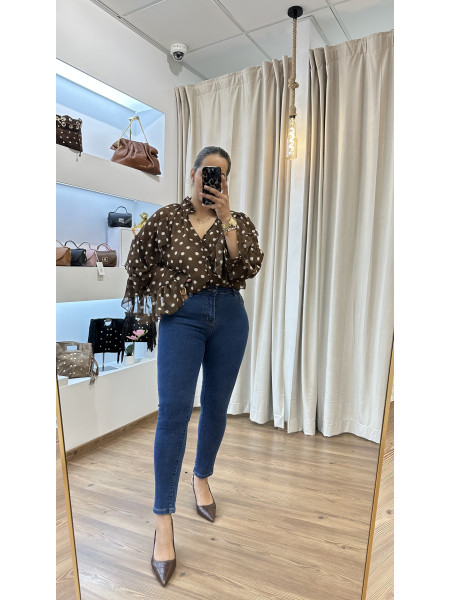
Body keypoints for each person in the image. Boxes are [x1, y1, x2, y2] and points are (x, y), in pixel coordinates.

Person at [122, 146, 264, 586]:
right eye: (207, 172)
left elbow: (248, 265)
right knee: (173, 414)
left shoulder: (237, 221)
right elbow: (137, 263)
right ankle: (163, 520)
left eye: (221, 175)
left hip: (230, 316)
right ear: (192, 173)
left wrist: (227, 218)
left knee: (216, 407)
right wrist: (164, 294)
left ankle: (201, 477)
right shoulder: (166, 219)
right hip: (182, 317)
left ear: (227, 180)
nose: (212, 181)